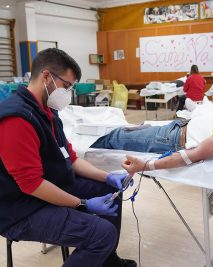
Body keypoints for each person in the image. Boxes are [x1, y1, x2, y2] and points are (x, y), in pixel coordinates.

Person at [0, 48, 136, 267]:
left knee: (111, 192)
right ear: (46, 77)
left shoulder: (48, 111)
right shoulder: (17, 119)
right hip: (21, 209)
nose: (68, 93)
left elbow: (70, 158)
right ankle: (102, 250)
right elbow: (31, 184)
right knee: (102, 234)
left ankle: (106, 261)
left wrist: (107, 177)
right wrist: (82, 204)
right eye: (67, 86)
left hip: (49, 187)